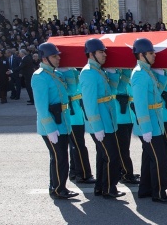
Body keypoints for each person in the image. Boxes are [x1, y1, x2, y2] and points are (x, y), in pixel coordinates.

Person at [79, 38, 125, 198]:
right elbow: (89, 103)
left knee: (102, 155)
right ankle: (109, 188)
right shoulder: (88, 73)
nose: (104, 54)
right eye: (101, 52)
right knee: (112, 156)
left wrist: (112, 73)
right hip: (100, 124)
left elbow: (111, 90)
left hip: (107, 121)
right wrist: (96, 127)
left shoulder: (99, 71)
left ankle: (100, 187)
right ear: (91, 54)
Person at [31, 42, 78, 198]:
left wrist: (69, 71)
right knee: (59, 158)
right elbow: (41, 107)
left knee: (61, 157)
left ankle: (57, 186)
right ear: (45, 59)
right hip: (51, 125)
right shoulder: (39, 77)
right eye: (54, 56)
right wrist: (50, 128)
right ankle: (58, 189)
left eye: (58, 55)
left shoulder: (57, 74)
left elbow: (71, 91)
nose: (58, 58)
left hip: (63, 122)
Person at [131, 38, 167, 202]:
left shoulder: (147, 72)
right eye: (150, 53)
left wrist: (162, 74)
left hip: (155, 123)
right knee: (159, 159)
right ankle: (159, 192)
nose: (154, 55)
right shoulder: (140, 75)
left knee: (149, 157)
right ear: (141, 55)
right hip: (148, 125)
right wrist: (146, 128)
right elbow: (140, 104)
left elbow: (157, 92)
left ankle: (145, 190)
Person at [58, 67, 96, 185]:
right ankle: (83, 174)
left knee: (75, 144)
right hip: (72, 115)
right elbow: (73, 89)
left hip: (76, 113)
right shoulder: (61, 73)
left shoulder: (70, 71)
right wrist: (70, 70)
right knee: (79, 146)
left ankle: (74, 171)